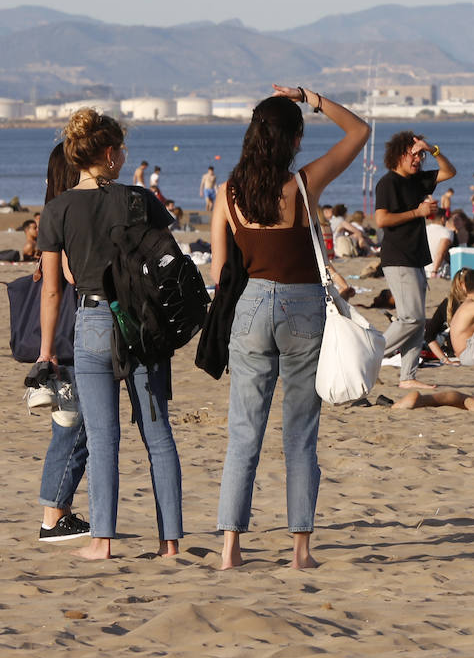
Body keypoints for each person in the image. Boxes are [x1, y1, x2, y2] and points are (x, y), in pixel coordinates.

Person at [210, 85, 370, 570]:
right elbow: (360, 131)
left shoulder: (228, 193)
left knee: (244, 434)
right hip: (302, 306)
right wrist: (312, 97)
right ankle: (300, 551)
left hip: (252, 303)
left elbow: (220, 273)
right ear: (293, 140)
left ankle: (230, 549)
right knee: (300, 432)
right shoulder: (301, 185)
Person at [36, 109, 181, 559]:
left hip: (92, 321)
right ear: (110, 154)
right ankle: (170, 543)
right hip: (139, 322)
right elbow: (167, 260)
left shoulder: (58, 209)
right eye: (121, 149)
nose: (124, 155)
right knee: (158, 436)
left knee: (101, 437)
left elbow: (53, 289)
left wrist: (45, 352)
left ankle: (101, 541)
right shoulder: (138, 199)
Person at [34, 144, 90, 543]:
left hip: (62, 339)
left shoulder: (52, 216)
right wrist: (47, 349)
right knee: (75, 426)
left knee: (67, 424)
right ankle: (54, 515)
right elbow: (60, 285)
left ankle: (58, 512)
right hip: (73, 338)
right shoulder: (70, 219)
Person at [374, 130, 457, 390]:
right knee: (410, 318)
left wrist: (432, 148)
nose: (419, 159)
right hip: (397, 257)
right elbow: (381, 220)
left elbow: (450, 171)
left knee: (418, 320)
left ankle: (407, 377)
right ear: (399, 155)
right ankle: (369, 357)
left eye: (422, 155)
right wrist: (417, 212)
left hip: (416, 257)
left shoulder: (418, 180)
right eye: (415, 154)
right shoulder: (388, 183)